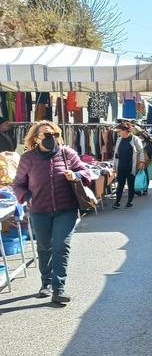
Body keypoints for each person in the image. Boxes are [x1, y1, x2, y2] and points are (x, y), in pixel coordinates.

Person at [12, 121, 91, 305]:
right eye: (46, 135)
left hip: (66, 209)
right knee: (44, 247)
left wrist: (76, 175)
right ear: (36, 138)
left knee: (61, 246)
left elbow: (85, 172)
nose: (51, 138)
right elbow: (18, 184)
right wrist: (27, 196)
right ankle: (46, 282)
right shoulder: (28, 158)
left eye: (54, 134)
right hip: (40, 210)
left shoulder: (67, 153)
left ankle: (58, 289)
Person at [113, 122, 145, 208]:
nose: (118, 133)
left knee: (131, 185)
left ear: (125, 130)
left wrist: (141, 161)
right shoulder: (119, 140)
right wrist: (114, 165)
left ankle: (129, 201)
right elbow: (116, 153)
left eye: (119, 131)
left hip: (131, 166)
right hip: (121, 165)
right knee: (120, 184)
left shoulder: (135, 139)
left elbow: (141, 150)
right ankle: (117, 202)